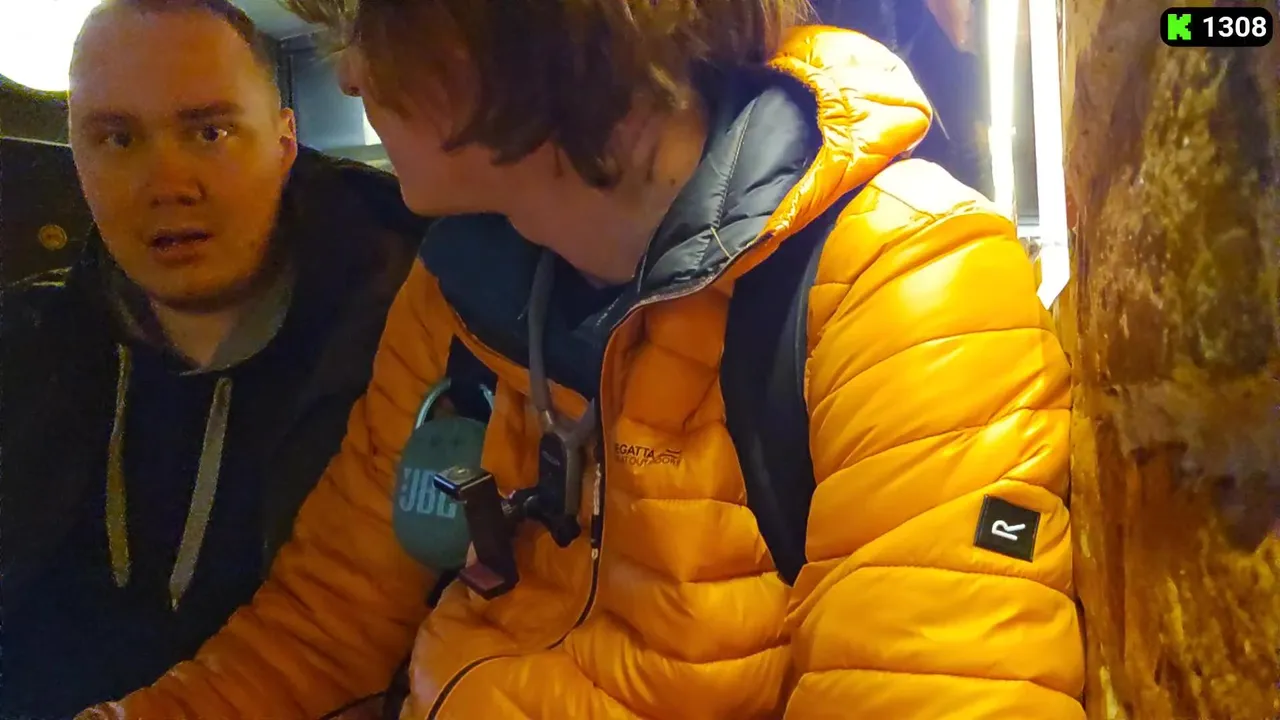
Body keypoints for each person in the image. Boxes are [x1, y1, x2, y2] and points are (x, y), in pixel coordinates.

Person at [84, 0, 1086, 718]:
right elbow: (326, 621)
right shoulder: (457, 289)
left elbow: (936, 687)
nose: (348, 74)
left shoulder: (900, 278)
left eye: (374, 20)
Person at [0, 1, 427, 716]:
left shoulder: (414, 341)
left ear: (285, 143)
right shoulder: (26, 348)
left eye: (209, 131)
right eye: (117, 138)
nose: (168, 183)